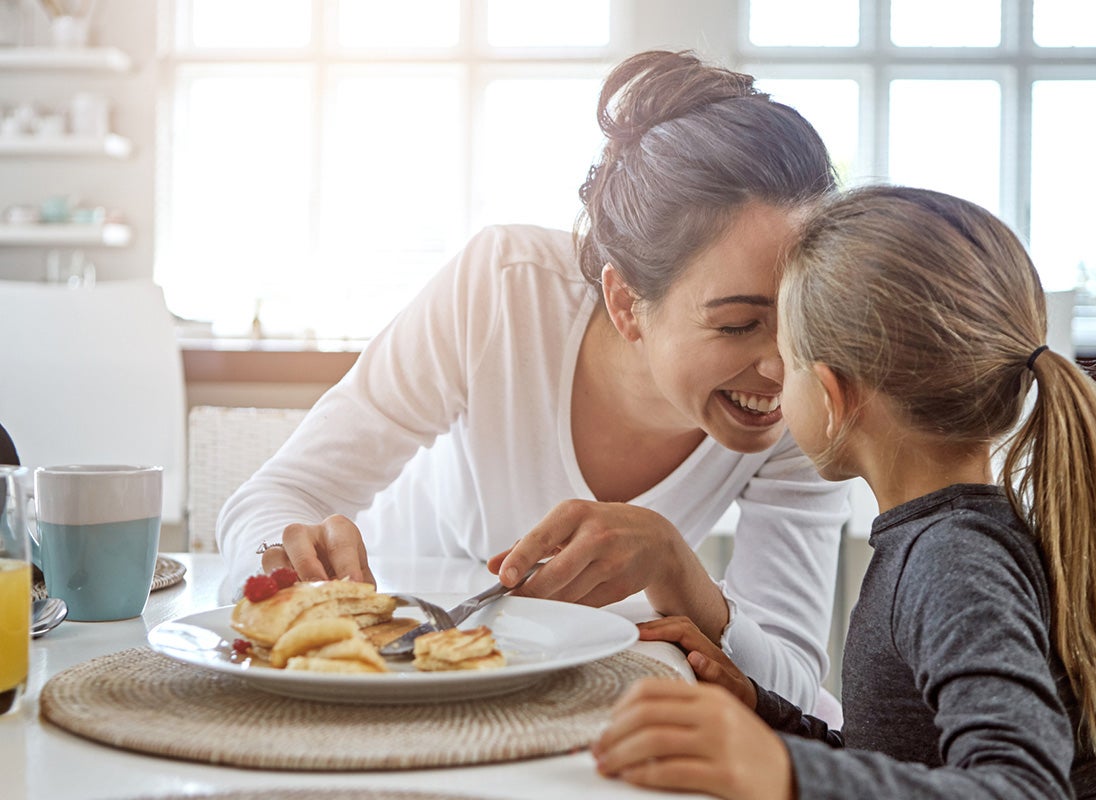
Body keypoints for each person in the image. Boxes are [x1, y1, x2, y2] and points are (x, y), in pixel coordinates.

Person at [216, 50, 851, 704]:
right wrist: (277, 571)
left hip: (576, 683)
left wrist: (676, 568)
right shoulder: (502, 290)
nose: (784, 365)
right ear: (628, 303)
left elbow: (794, 686)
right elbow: (279, 494)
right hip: (393, 658)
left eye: (807, 312)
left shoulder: (815, 391)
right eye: (739, 325)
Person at [592, 185, 1096, 800]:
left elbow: (1023, 788)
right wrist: (758, 708)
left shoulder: (953, 562)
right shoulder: (943, 539)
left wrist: (785, 773)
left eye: (786, 357)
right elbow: (896, 763)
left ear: (834, 394)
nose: (772, 375)